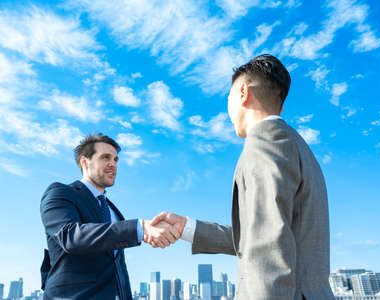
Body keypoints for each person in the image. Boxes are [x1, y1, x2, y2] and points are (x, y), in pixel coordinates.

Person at [150, 54, 335, 300]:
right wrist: (187, 227)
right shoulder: (296, 145)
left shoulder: (265, 141)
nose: (228, 111)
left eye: (228, 99)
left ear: (242, 93)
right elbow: (259, 234)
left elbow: (267, 250)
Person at [40, 134, 180, 300]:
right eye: (105, 157)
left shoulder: (114, 212)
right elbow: (70, 236)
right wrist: (141, 228)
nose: (112, 164)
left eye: (115, 159)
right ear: (85, 162)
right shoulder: (61, 192)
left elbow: (118, 267)